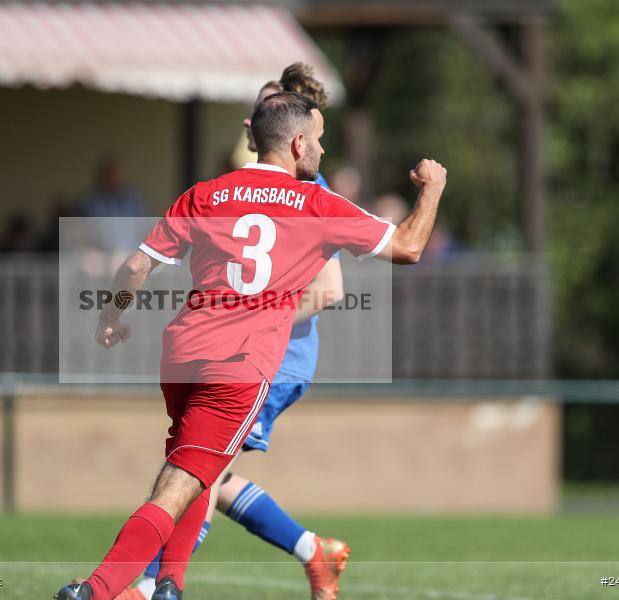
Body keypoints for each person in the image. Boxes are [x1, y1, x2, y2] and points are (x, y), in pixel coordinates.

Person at [56, 91, 446, 600]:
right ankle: (96, 591)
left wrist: (110, 317)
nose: (323, 152)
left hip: (181, 353)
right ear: (299, 142)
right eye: (321, 141)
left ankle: (169, 584)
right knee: (177, 486)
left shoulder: (205, 193)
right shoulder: (317, 204)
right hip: (238, 365)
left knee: (197, 466)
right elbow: (409, 247)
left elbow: (135, 267)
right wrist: (433, 188)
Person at [120, 62, 351, 600]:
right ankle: (314, 553)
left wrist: (247, 321)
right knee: (202, 474)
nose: (250, 125)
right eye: (252, 116)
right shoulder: (246, 182)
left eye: (263, 115)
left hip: (268, 361)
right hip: (239, 357)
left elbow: (330, 290)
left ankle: (152, 585)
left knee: (192, 475)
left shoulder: (306, 185)